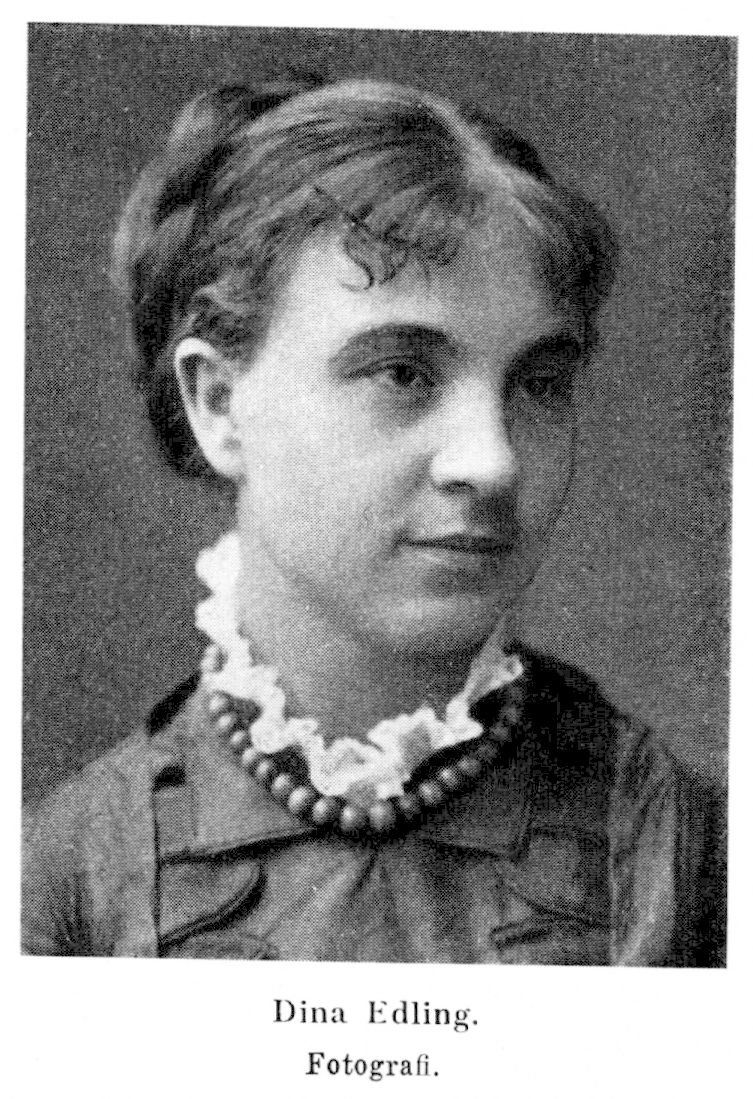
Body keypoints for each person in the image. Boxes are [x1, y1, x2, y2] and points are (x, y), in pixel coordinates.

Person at [22, 77, 725, 963]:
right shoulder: (70, 874)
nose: (492, 461)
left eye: (538, 382)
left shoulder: (676, 846)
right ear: (218, 404)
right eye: (402, 373)